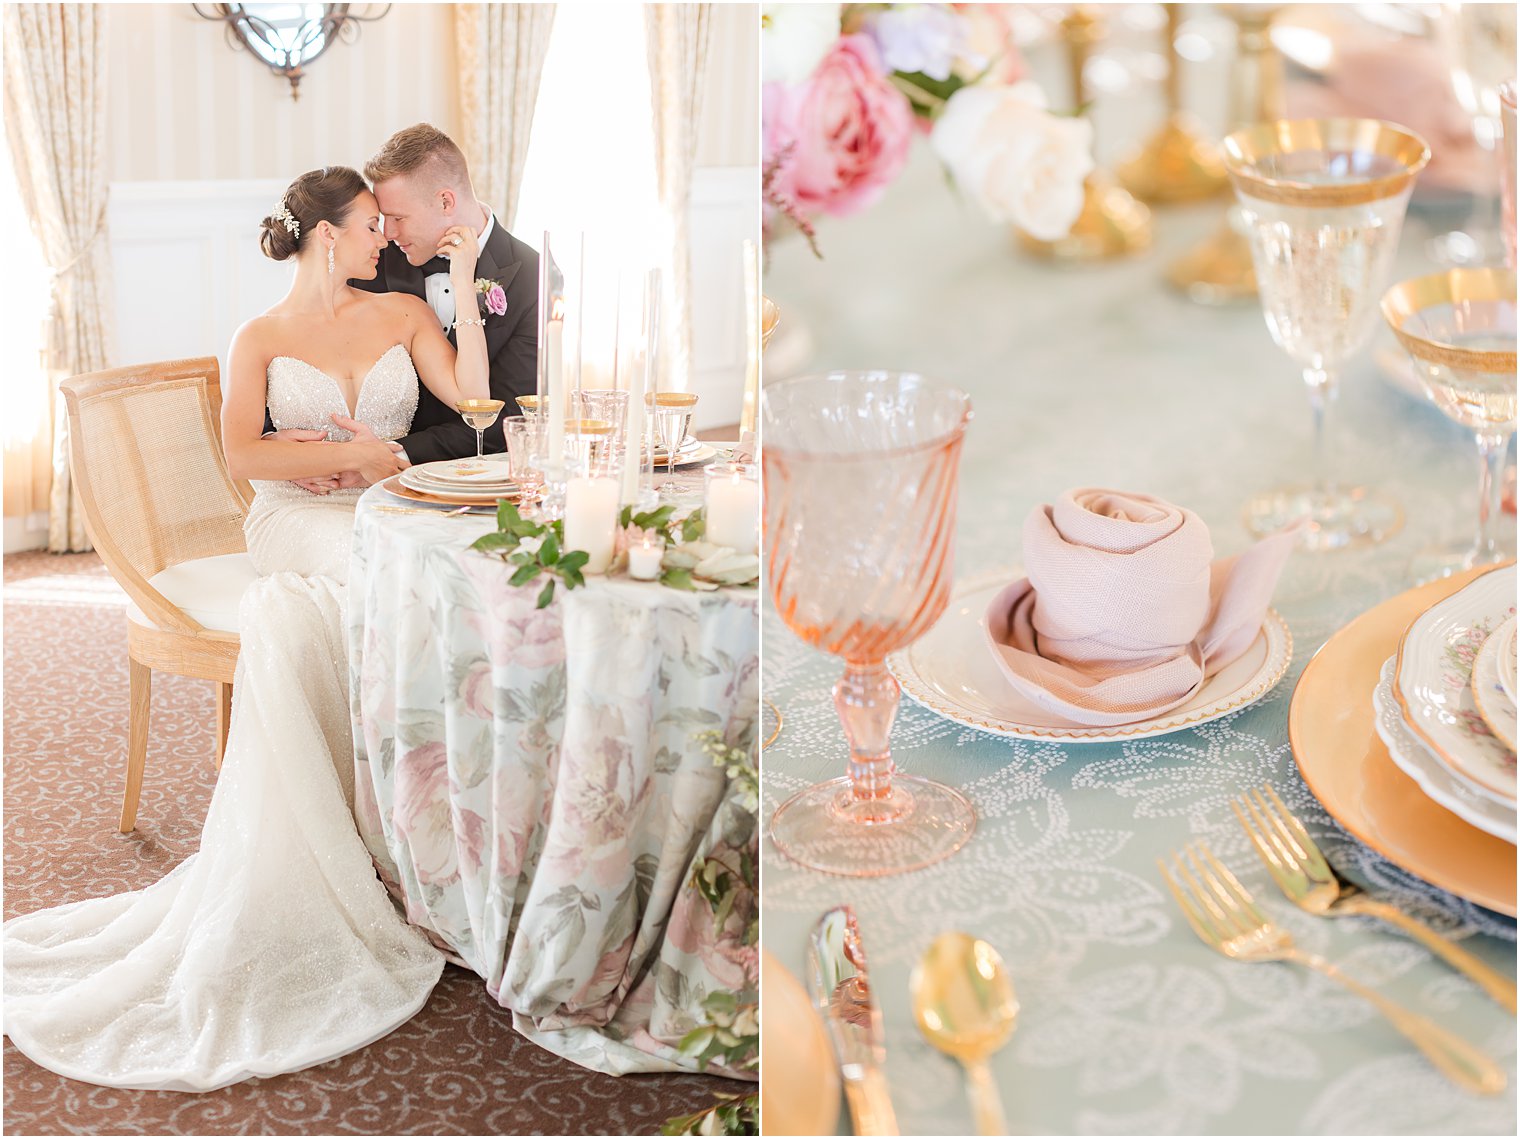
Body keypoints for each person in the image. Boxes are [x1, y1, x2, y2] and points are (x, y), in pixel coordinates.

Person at [2, 165, 490, 1091]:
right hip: (293, 519)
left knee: (412, 580)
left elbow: (470, 401)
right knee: (376, 581)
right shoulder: (259, 334)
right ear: (327, 236)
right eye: (369, 225)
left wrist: (458, 294)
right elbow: (243, 453)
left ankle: (420, 831)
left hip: (380, 507)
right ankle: (383, 839)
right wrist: (358, 454)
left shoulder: (404, 314)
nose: (385, 236)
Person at [269, 123, 540, 494]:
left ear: (445, 202)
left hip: (481, 482)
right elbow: (301, 360)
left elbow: (508, 419)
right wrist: (279, 447)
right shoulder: (369, 259)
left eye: (397, 218)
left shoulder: (535, 276)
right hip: (346, 484)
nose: (388, 235)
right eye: (380, 222)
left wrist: (391, 455)